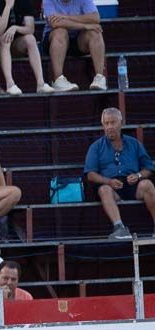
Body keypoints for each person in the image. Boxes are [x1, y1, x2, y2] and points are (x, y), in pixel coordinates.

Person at [84, 108, 155, 240]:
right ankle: (120, 228)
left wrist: (138, 175)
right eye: (106, 123)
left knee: (147, 184)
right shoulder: (96, 147)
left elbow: (148, 168)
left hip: (134, 185)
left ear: (121, 123)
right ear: (103, 125)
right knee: (104, 190)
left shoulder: (134, 143)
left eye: (113, 122)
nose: (110, 127)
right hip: (112, 188)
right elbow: (90, 174)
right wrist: (108, 181)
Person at [0, 0, 52, 94]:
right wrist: (7, 7)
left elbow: (30, 28)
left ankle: (41, 83)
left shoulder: (24, 2)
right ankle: (10, 84)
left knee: (31, 39)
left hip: (16, 42)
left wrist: (15, 28)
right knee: (6, 39)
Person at [43, 0, 107, 92]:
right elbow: (55, 23)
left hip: (78, 40)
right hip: (54, 41)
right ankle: (58, 80)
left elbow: (95, 18)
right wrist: (84, 26)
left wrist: (64, 17)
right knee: (60, 31)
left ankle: (100, 78)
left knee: (95, 32)